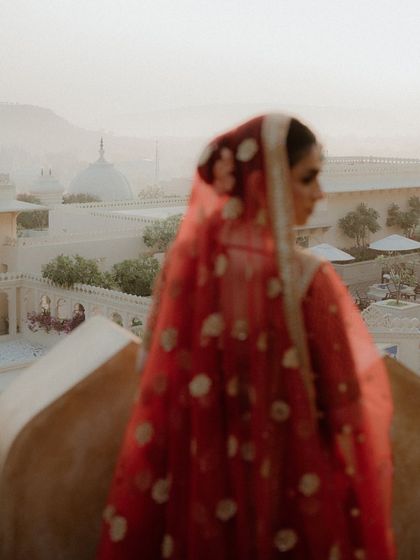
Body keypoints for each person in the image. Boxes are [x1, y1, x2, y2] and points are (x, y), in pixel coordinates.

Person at [97, 114, 395, 559]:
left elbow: (152, 380)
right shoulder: (308, 280)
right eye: (308, 177)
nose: (320, 194)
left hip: (191, 492)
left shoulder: (181, 275)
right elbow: (347, 409)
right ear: (266, 181)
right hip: (290, 498)